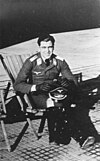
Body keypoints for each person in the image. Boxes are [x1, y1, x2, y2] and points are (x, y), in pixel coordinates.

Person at [14, 33, 99, 148]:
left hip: (53, 92)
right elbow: (18, 85)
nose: (47, 51)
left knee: (67, 103)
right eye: (44, 47)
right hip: (36, 95)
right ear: (39, 48)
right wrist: (36, 87)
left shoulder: (59, 61)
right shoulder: (31, 62)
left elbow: (72, 80)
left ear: (53, 47)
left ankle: (66, 137)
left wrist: (68, 83)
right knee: (56, 103)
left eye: (50, 47)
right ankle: (69, 136)